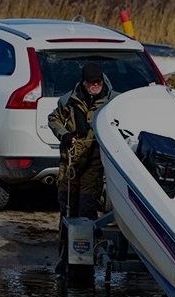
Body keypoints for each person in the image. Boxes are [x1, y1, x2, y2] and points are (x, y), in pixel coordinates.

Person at [48, 62, 119, 275]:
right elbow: (53, 119)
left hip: (94, 163)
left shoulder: (112, 101)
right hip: (71, 162)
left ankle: (86, 259)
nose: (95, 86)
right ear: (84, 83)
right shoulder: (68, 100)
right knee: (66, 209)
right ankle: (64, 259)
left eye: (98, 82)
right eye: (91, 83)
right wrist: (64, 134)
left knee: (86, 208)